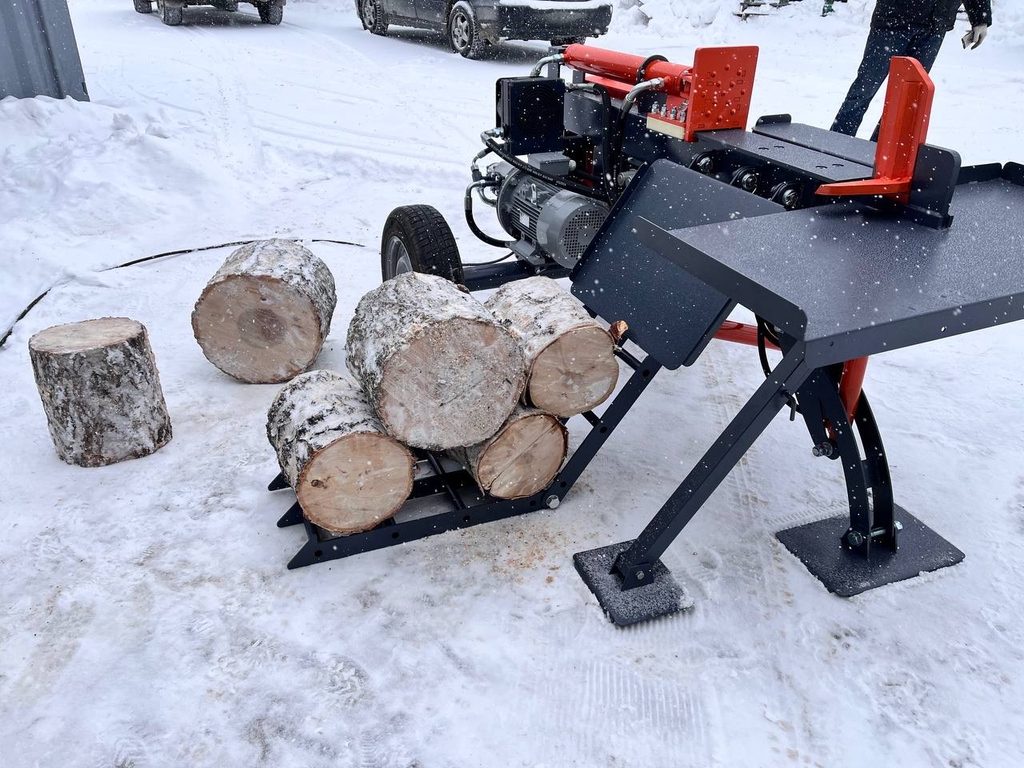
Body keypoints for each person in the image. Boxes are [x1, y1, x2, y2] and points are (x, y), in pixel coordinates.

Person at [831, 0, 992, 139]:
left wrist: (980, 19)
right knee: (864, 90)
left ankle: (880, 155)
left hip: (935, 25)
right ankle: (836, 147)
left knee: (907, 98)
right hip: (893, 18)